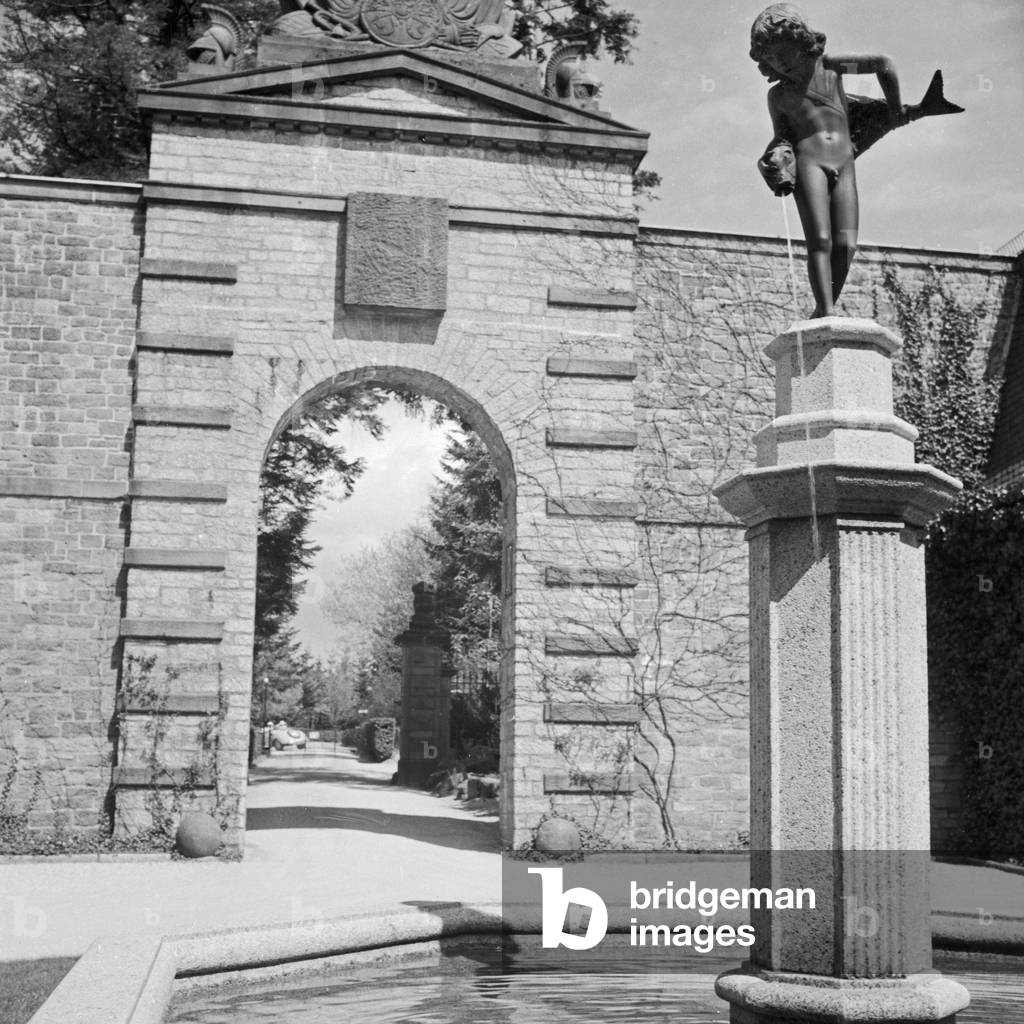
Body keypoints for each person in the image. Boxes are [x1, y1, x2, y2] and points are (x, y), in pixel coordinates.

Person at [750, 5, 905, 318]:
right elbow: (782, 138)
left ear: (800, 42)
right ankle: (826, 309)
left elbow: (883, 64)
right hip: (809, 163)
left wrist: (896, 109)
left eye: (784, 54)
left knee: (846, 243)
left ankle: (822, 312)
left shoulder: (832, 67)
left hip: (845, 162)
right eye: (772, 59)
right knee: (819, 239)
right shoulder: (778, 97)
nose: (779, 63)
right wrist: (773, 159)